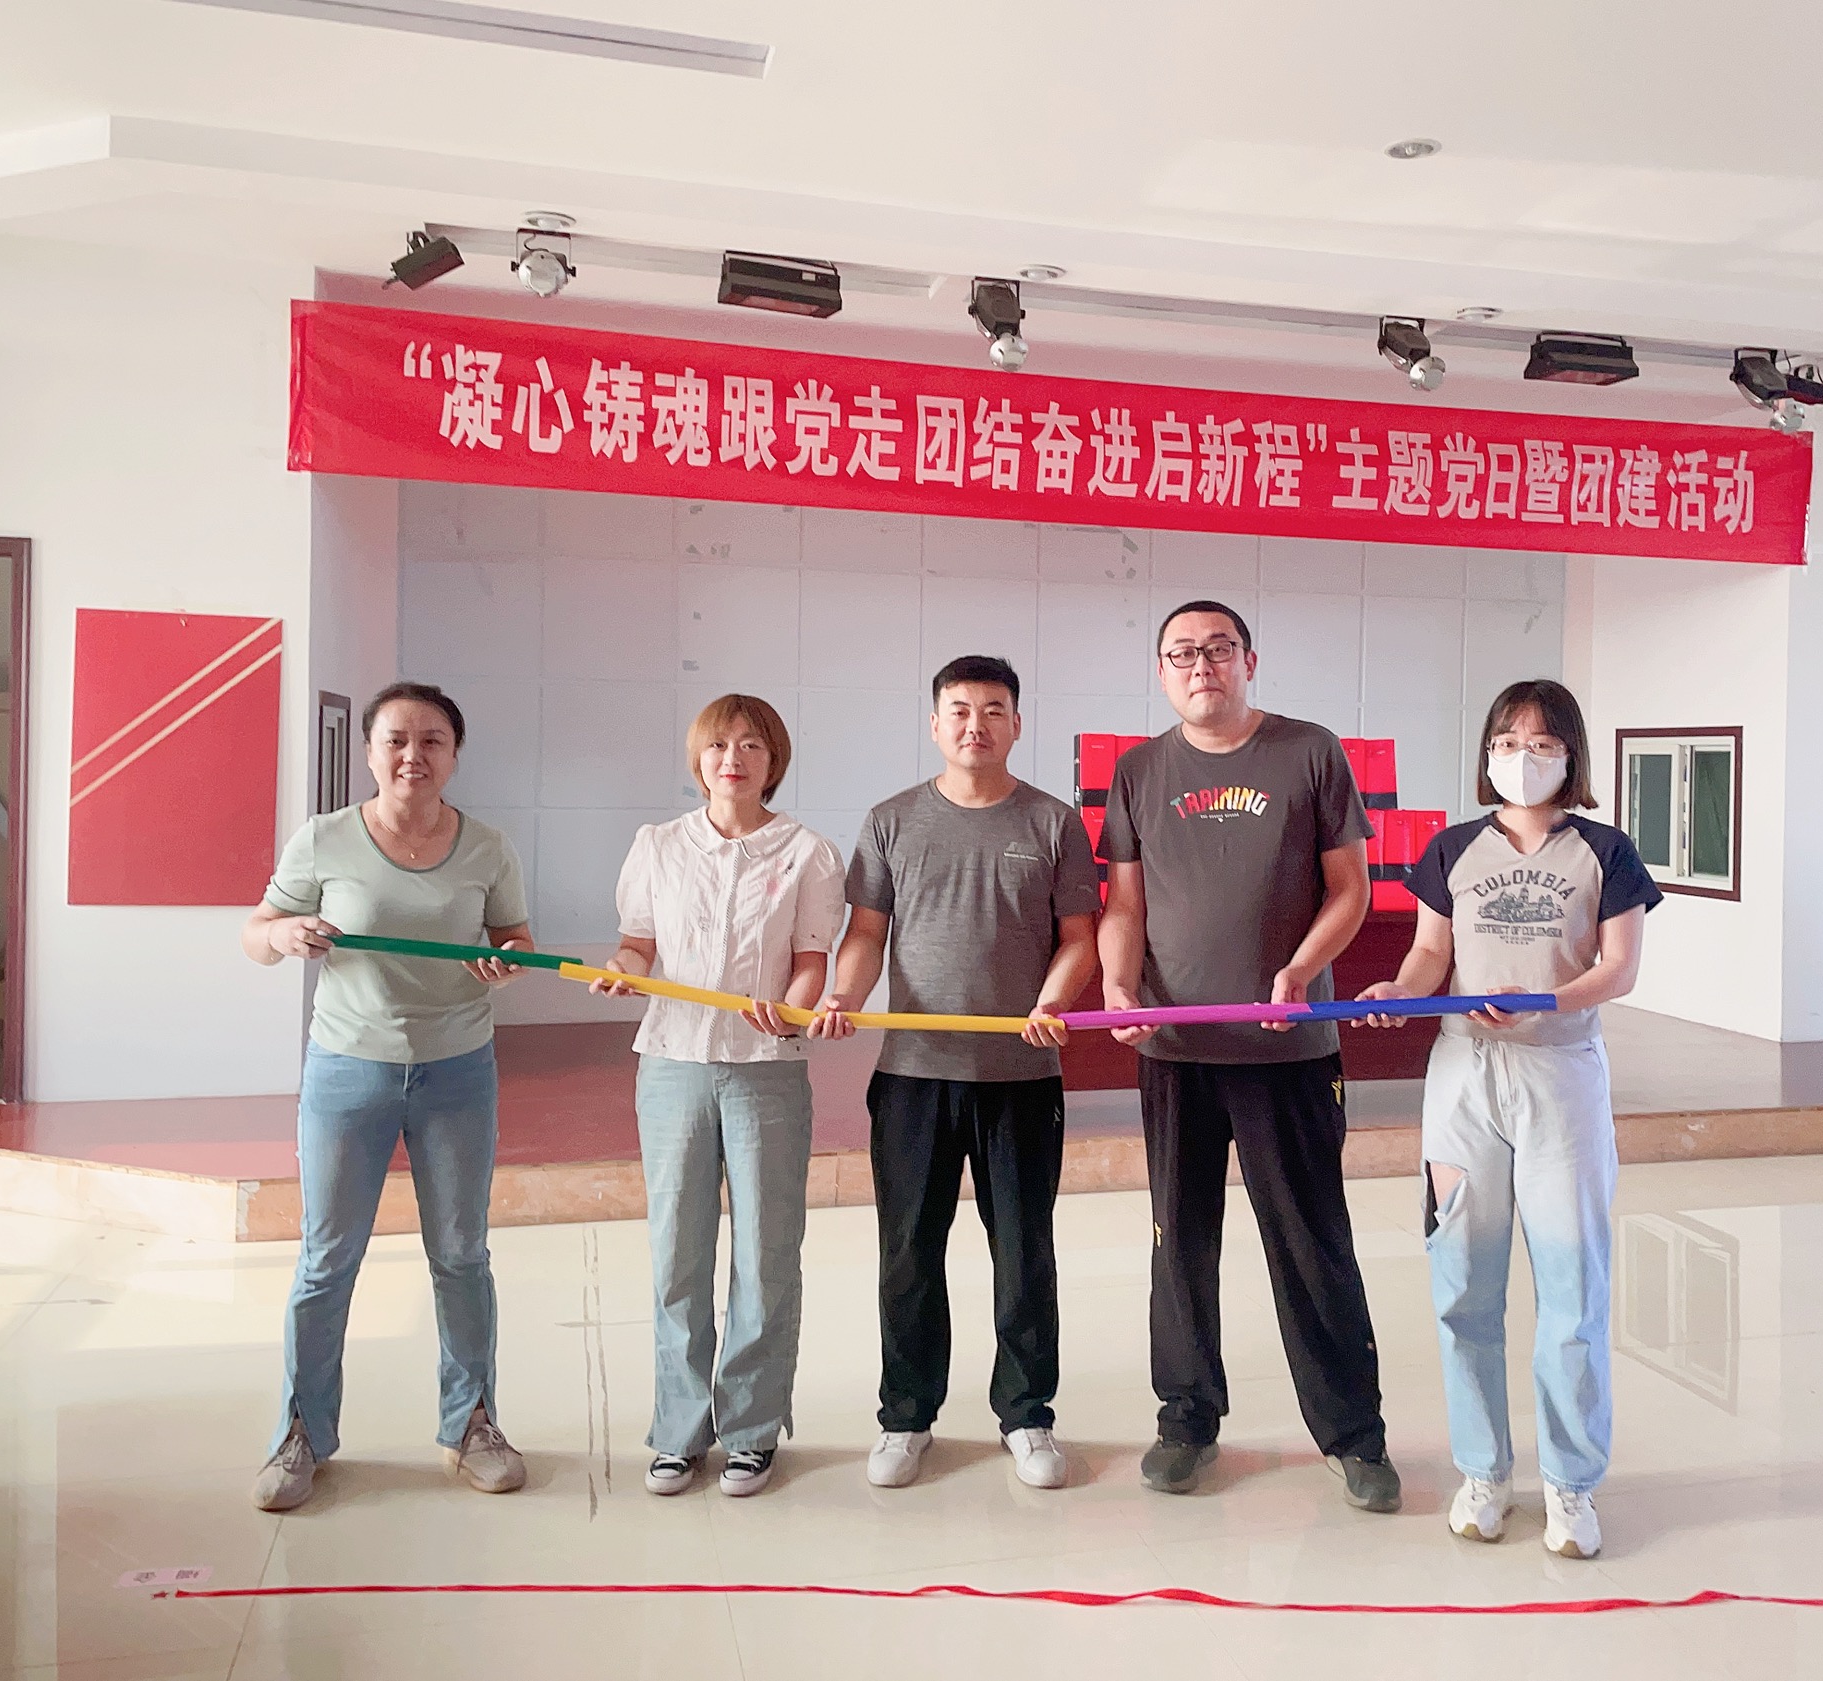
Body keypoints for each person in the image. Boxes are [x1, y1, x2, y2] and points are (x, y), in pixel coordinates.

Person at [1096, 600, 1400, 1513]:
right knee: (1179, 1241)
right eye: (1183, 653)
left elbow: (1351, 889)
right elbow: (1125, 905)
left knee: (1311, 1241)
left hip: (1289, 1049)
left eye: (1219, 649)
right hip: (1177, 1050)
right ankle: (1186, 1419)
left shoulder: (1310, 751)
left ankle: (1354, 1434)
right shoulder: (1139, 770)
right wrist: (1119, 985)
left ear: (1249, 661)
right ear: (1162, 672)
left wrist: (1301, 970)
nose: (1202, 666)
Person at [1357, 677, 1660, 1560]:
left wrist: (1542, 1002)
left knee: (1572, 1286)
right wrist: (1400, 991)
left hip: (1560, 1073)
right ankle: (1483, 1469)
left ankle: (1571, 1482)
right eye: (1505, 741)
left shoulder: (1606, 851)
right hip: (1462, 1077)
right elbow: (1429, 952)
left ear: (1570, 754)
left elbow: (1619, 968)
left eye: (1539, 743)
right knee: (1462, 1281)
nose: (1520, 757)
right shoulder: (1453, 848)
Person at [241, 681, 535, 1512]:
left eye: (433, 740)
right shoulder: (324, 838)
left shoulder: (487, 847)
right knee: (326, 1259)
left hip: (458, 1070)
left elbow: (516, 937)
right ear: (370, 752)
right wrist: (283, 933)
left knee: (461, 1254)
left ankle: (472, 1423)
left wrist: (507, 961)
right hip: (348, 1070)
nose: (414, 755)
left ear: (454, 755)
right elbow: (256, 933)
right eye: (396, 740)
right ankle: (300, 1433)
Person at [809, 655, 1100, 1492]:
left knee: (1024, 1251)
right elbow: (867, 934)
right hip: (915, 1074)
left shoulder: (1051, 822)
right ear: (936, 724)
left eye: (994, 709)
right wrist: (844, 993)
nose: (977, 724)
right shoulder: (892, 820)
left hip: (1021, 1077)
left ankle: (1027, 1413)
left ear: (1016, 724)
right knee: (908, 1253)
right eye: (961, 710)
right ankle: (906, 1416)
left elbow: (1079, 939)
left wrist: (1052, 1000)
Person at [588, 695, 844, 1500]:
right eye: (719, 745)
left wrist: (794, 1007)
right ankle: (677, 1430)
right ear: (698, 758)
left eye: (752, 745)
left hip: (766, 1065)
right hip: (672, 1062)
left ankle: (752, 1429)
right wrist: (624, 969)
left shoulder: (807, 852)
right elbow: (637, 942)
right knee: (677, 1251)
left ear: (775, 760)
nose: (733, 758)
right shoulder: (658, 845)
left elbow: (811, 958)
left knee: (766, 1253)